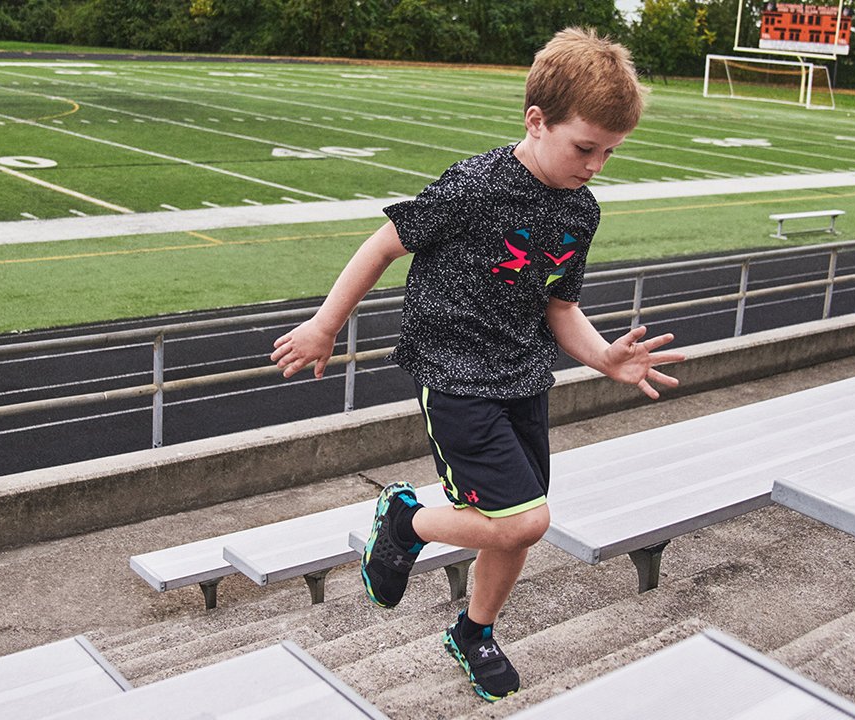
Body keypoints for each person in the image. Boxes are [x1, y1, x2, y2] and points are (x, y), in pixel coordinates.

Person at [269, 27, 683, 703]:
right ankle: (405, 520)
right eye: (586, 148)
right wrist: (325, 324)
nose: (596, 165)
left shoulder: (582, 211)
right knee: (525, 519)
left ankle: (474, 630)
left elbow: (561, 309)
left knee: (514, 523)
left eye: (609, 152)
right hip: (455, 376)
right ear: (537, 121)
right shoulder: (474, 186)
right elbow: (383, 244)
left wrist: (606, 357)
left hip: (523, 377)